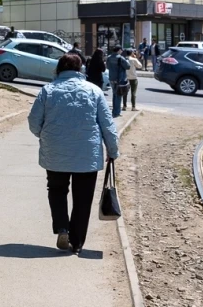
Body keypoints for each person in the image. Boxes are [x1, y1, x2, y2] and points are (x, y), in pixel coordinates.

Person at [27, 53, 119, 254]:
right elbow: (107, 125)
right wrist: (112, 150)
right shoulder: (94, 91)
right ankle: (76, 242)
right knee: (83, 198)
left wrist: (45, 136)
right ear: (81, 69)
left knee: (57, 190)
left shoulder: (47, 90)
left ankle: (62, 228)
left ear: (58, 69)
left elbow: (33, 122)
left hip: (55, 152)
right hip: (87, 154)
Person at [108, 45, 130, 118]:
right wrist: (126, 59)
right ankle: (117, 112)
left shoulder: (109, 57)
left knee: (114, 94)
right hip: (119, 79)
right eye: (121, 50)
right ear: (119, 50)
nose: (122, 51)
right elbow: (128, 66)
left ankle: (114, 110)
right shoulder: (120, 58)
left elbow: (107, 66)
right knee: (118, 95)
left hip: (111, 78)